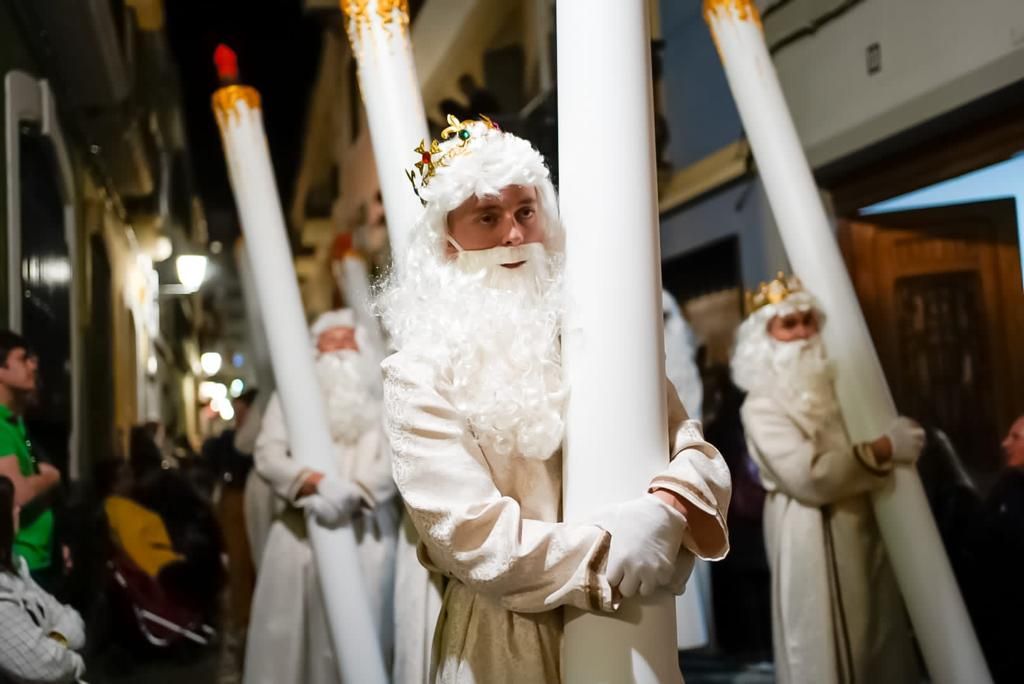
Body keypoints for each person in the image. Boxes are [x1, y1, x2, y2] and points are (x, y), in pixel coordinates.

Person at [377, 115, 732, 682]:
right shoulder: (417, 373)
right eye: (487, 217)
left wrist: (669, 507)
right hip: (506, 640)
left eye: (525, 211)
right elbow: (469, 536)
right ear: (447, 241)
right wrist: (607, 551)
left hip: (633, 628)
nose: (514, 235)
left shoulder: (594, 336)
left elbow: (694, 449)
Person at [730, 273, 923, 684]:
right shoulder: (761, 405)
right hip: (811, 533)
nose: (802, 333)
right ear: (763, 338)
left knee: (879, 645)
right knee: (826, 651)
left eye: (807, 321)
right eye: (788, 324)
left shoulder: (841, 385)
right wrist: (882, 451)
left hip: (867, 523)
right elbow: (807, 476)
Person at [244, 309, 399, 684]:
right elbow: (268, 452)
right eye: (328, 341)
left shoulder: (384, 396)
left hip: (366, 532)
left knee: (361, 633)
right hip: (300, 535)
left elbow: (398, 458)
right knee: (291, 643)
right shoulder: (291, 397)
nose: (338, 348)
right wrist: (314, 483)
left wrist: (357, 492)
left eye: (346, 339)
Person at [0, 475, 86, 684]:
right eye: (10, 506)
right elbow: (44, 667)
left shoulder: (15, 568)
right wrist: (75, 662)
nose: (18, 509)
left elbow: (71, 617)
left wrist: (55, 640)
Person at [0, 331, 61, 591]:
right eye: (23, 359)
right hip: (21, 561)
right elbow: (16, 493)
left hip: (39, 557)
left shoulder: (16, 421)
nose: (33, 365)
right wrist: (50, 477)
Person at [202, 389, 259, 646]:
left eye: (242, 412)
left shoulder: (251, 437)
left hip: (250, 500)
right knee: (240, 565)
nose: (238, 417)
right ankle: (243, 622)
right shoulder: (230, 439)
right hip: (236, 500)